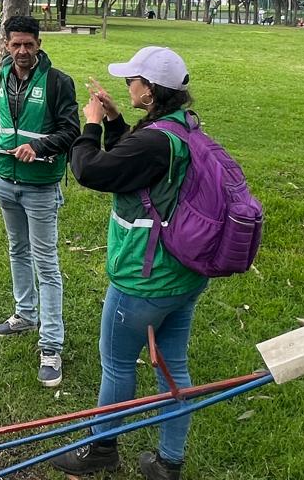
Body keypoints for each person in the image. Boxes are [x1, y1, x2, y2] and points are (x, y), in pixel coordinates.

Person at [49, 46, 206, 480]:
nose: (127, 85)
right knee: (173, 365)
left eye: (132, 81)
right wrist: (118, 120)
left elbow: (94, 171)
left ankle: (100, 448)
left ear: (150, 91)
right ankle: (169, 462)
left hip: (143, 276)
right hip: (183, 272)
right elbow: (134, 169)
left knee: (117, 364)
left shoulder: (154, 139)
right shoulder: (181, 127)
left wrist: (91, 125)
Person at [0, 15, 80, 387]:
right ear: (6, 45)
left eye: (29, 44)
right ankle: (25, 314)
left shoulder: (58, 82)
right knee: (16, 250)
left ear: (39, 44)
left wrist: (39, 146)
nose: (22, 51)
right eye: (15, 44)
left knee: (47, 262)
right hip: (5, 182)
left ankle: (51, 345)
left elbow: (70, 130)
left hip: (41, 184)